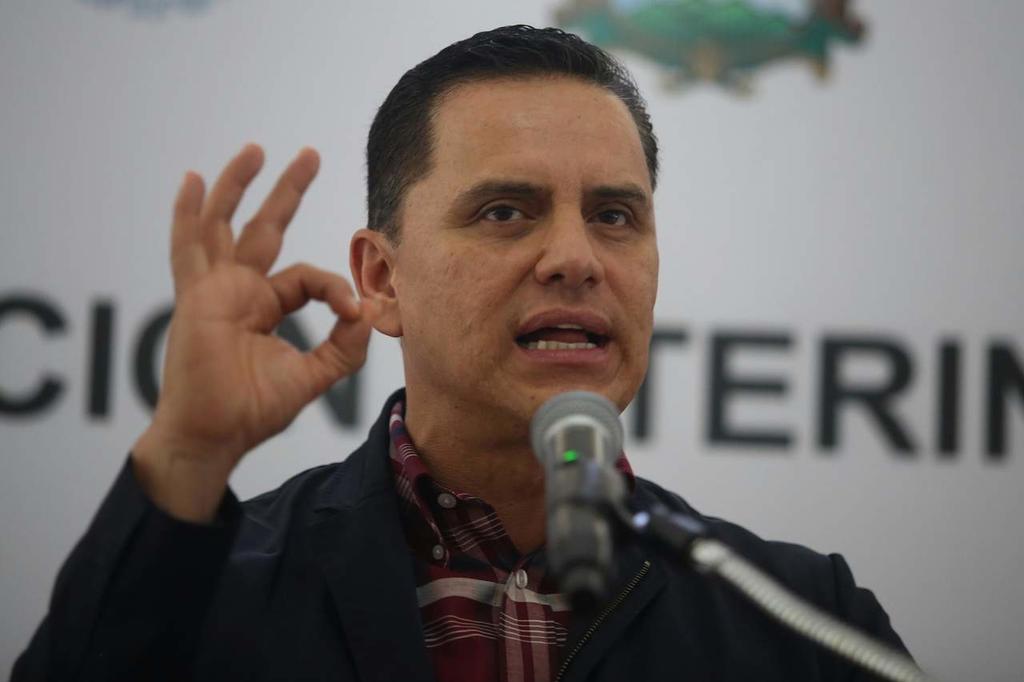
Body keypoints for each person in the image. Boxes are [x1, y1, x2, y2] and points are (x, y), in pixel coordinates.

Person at [13, 25, 908, 682]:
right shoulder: (206, 593)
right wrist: (189, 453)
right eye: (505, 211)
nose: (575, 258)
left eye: (614, 215)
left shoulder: (803, 620)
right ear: (381, 278)